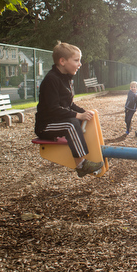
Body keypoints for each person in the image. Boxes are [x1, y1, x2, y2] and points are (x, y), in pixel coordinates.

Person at [35, 42, 103, 178]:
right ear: (62, 61)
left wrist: (84, 112)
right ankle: (81, 165)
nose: (80, 64)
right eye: (76, 60)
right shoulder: (51, 80)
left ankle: (97, 153)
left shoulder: (66, 79)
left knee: (79, 120)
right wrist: (78, 115)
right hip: (46, 126)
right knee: (72, 124)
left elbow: (69, 104)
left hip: (57, 121)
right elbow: (53, 109)